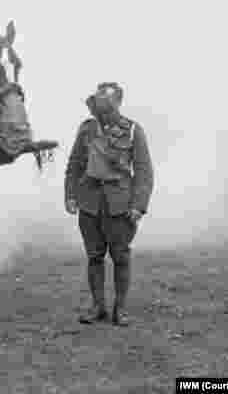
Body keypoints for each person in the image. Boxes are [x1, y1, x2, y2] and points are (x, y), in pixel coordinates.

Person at [64, 82, 154, 326]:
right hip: (90, 203)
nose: (102, 108)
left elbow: (144, 172)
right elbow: (74, 165)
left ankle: (121, 309)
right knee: (94, 256)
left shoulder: (134, 130)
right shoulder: (87, 130)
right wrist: (70, 196)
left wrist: (138, 205)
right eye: (99, 102)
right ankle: (97, 307)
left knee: (121, 257)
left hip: (120, 205)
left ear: (118, 103)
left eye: (107, 103)